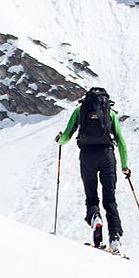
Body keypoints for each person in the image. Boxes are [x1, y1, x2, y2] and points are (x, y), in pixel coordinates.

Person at [55, 86, 130, 253]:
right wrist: (125, 167)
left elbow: (66, 136)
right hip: (107, 155)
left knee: (91, 196)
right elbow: (121, 142)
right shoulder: (110, 113)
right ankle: (115, 239)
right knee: (110, 200)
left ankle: (95, 217)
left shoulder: (80, 111)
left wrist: (59, 140)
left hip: (87, 156)